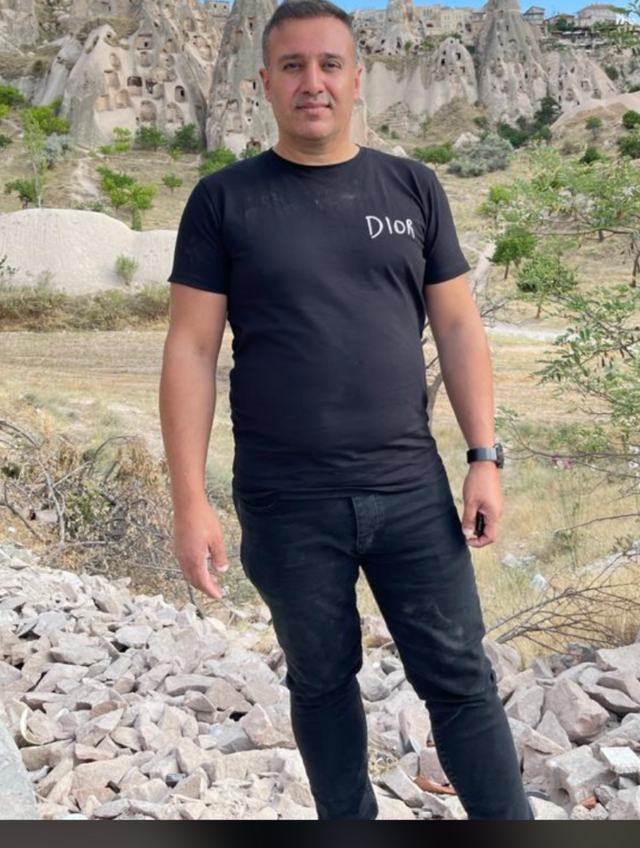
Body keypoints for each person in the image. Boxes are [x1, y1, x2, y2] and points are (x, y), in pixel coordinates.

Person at [159, 0, 535, 822]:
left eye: (330, 64)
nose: (313, 82)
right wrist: (190, 501)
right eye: (293, 66)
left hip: (409, 490)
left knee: (460, 680)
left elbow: (458, 326)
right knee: (322, 682)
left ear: (357, 78)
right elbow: (190, 350)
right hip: (285, 500)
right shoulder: (223, 201)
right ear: (264, 83)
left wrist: (484, 455)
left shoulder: (412, 186)